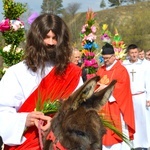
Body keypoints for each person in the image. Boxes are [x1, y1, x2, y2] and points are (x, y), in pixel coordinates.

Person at [0, 13, 83, 150]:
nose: (51, 43)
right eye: (46, 37)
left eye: (55, 38)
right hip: (26, 145)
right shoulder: (17, 72)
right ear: (36, 39)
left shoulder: (71, 73)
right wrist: (24, 120)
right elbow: (2, 111)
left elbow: (80, 111)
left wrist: (58, 124)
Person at [96, 43, 135, 150]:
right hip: (103, 107)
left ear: (114, 56)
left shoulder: (121, 70)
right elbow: (96, 84)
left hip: (116, 107)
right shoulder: (101, 70)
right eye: (104, 58)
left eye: (108, 58)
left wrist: (107, 87)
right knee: (103, 132)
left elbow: (123, 87)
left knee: (118, 131)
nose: (106, 60)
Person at [123, 44, 150, 149]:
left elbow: (148, 81)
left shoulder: (146, 65)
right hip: (129, 97)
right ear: (128, 54)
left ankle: (146, 143)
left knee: (143, 121)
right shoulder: (125, 65)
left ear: (138, 53)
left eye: (135, 53)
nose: (134, 55)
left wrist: (148, 98)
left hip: (141, 96)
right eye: (132, 53)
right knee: (131, 120)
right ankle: (133, 143)